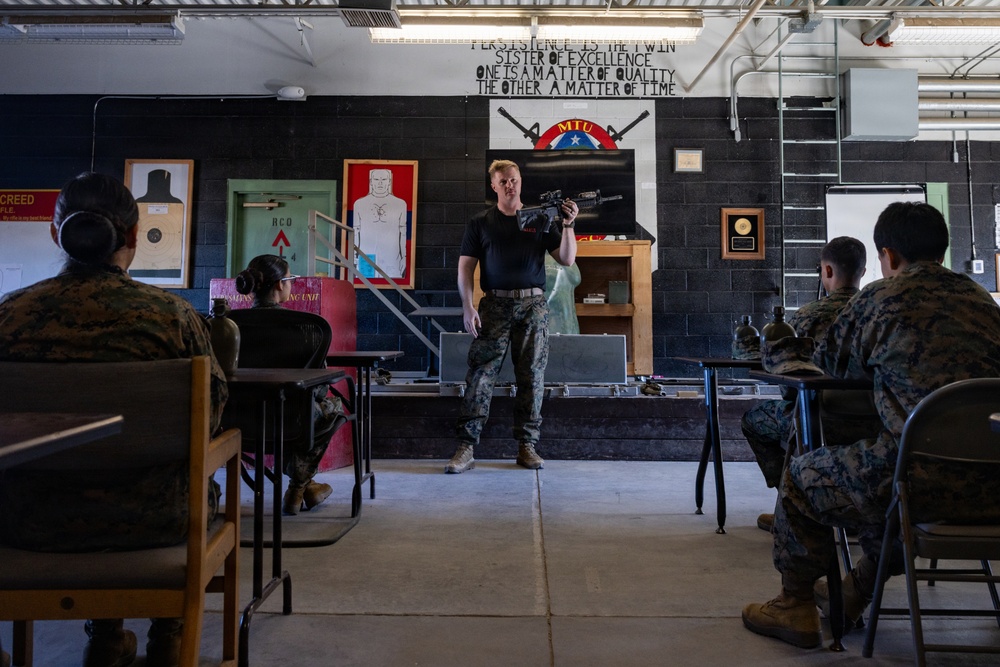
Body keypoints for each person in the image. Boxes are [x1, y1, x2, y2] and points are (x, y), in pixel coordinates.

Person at [742, 202, 1000, 649]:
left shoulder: (880, 299)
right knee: (890, 483)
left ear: (890, 257)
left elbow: (828, 366)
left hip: (917, 481)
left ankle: (794, 606)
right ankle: (855, 590)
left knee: (806, 476)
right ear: (942, 250)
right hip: (995, 484)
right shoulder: (986, 304)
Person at [0, 172, 228, 667]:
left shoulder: (8, 316)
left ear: (55, 233)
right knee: (194, 475)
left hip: (30, 522)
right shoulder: (173, 316)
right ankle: (169, 636)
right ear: (132, 237)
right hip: (157, 521)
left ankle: (105, 638)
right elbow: (210, 417)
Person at [445, 159, 578, 474]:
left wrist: (569, 225)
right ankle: (466, 447)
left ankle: (527, 446)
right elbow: (465, 267)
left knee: (531, 378)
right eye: (503, 181)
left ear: (521, 181)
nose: (509, 185)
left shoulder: (542, 219)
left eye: (514, 179)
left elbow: (567, 258)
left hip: (533, 308)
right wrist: (467, 306)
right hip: (494, 307)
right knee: (480, 376)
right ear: (494, 185)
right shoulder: (481, 222)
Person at [741, 236, 876, 531]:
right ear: (863, 272)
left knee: (753, 420)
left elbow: (790, 386)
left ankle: (792, 506)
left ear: (826, 271)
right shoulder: (879, 314)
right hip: (880, 425)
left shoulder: (805, 318)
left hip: (817, 421)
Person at [234, 254, 345, 515]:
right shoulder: (305, 327)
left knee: (293, 410)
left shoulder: (229, 324)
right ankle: (298, 487)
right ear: (279, 285)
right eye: (291, 279)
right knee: (331, 406)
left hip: (236, 421)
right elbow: (318, 388)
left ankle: (304, 487)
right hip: (290, 421)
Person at [353, 168, 408, 279]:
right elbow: (355, 233)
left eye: (384, 179)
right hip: (366, 254)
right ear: (371, 181)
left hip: (392, 255)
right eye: (376, 179)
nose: (380, 183)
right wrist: (354, 255)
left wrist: (404, 257)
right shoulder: (359, 204)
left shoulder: (400, 204)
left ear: (389, 181)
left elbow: (403, 234)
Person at [544, 253, 582, 335]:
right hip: (554, 319)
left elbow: (576, 278)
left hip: (566, 317)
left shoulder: (564, 258)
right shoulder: (537, 259)